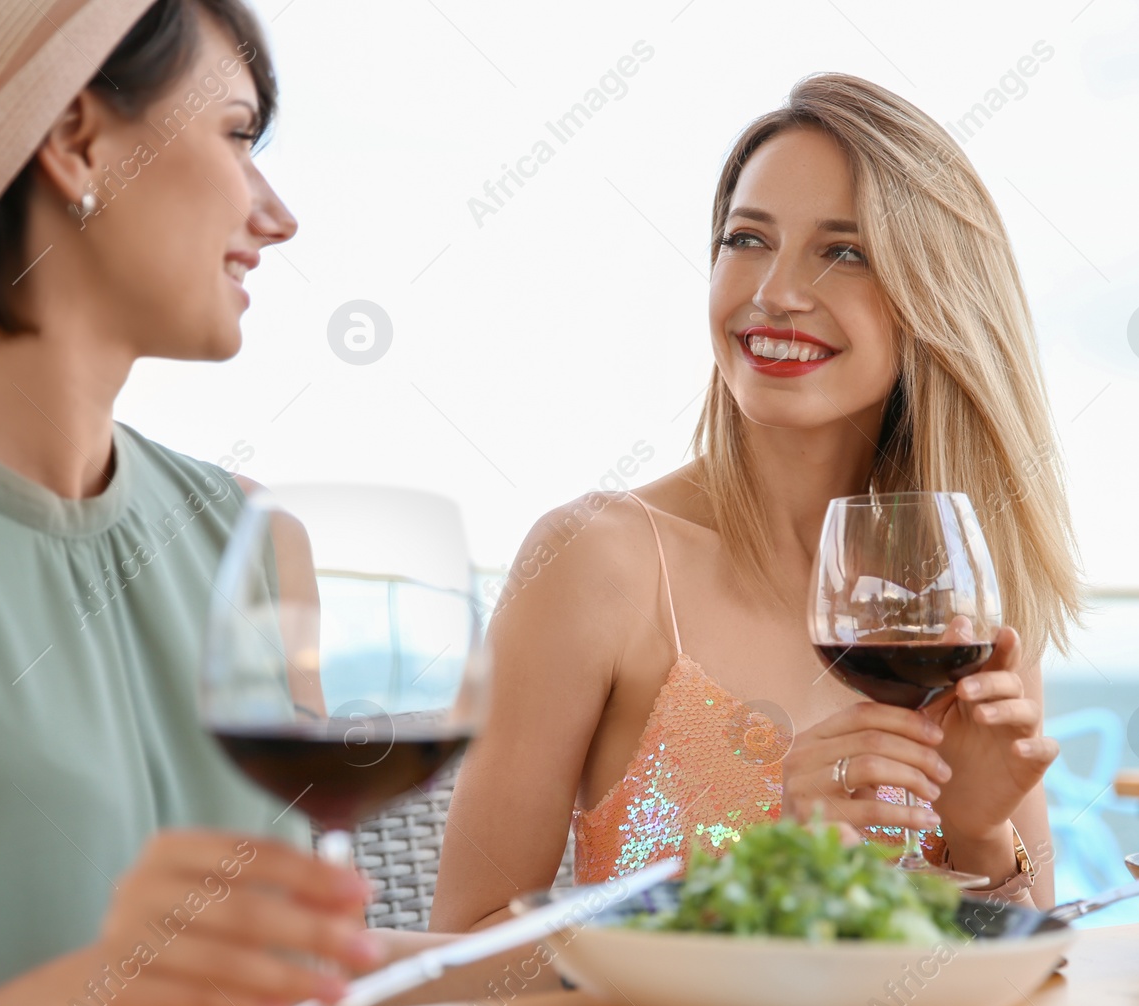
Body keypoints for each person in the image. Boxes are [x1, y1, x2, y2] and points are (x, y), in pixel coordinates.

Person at [0, 2, 454, 1006]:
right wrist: (96, 999)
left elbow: (309, 976)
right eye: (235, 134)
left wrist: (649, 928)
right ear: (78, 142)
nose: (277, 215)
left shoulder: (253, 540)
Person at [432, 73, 1082, 942]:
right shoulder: (598, 559)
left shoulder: (962, 595)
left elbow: (1028, 972)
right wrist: (751, 869)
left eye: (843, 251)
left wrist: (977, 831)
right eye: (748, 238)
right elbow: (455, 958)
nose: (774, 291)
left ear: (935, 299)